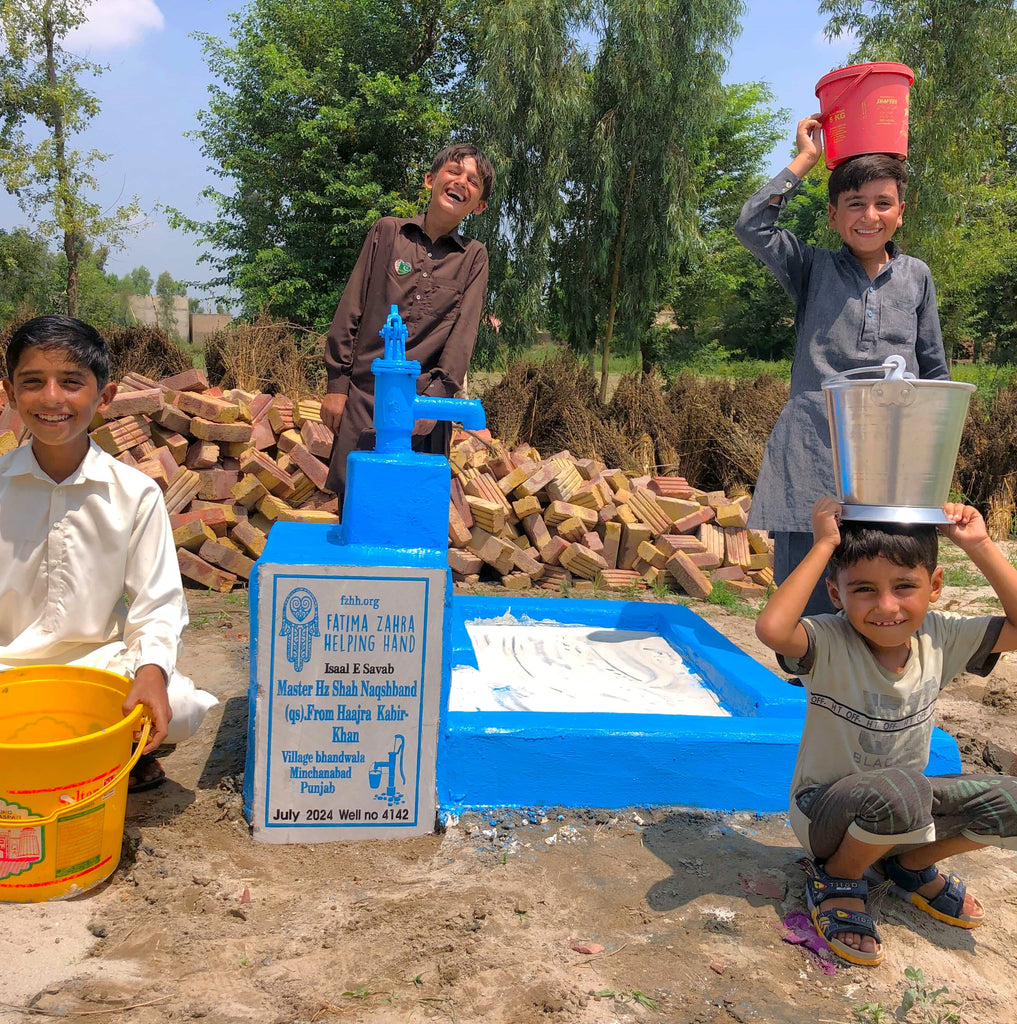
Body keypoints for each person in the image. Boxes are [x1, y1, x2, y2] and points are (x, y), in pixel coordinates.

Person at [755, 496, 1017, 967]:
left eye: (904, 586)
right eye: (864, 589)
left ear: (935, 585)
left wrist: (979, 545)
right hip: (825, 814)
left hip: (905, 811)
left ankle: (908, 866)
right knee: (901, 789)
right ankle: (838, 876)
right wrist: (824, 544)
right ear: (836, 593)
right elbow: (773, 629)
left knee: (1010, 802)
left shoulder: (941, 637)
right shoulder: (829, 640)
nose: (887, 606)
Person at [735, 116, 949, 615]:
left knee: (885, 599)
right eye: (855, 204)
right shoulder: (812, 268)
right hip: (810, 455)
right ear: (833, 215)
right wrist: (806, 159)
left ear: (901, 212)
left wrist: (932, 470)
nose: (869, 216)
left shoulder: (916, 276)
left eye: (882, 203)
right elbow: (751, 226)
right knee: (807, 610)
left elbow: (935, 373)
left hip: (892, 467)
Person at [0, 315, 206, 791]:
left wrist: (150, 671)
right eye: (33, 382)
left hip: (98, 666)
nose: (52, 398)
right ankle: (96, 754)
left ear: (105, 397)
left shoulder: (134, 493)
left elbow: (158, 602)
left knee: (179, 705)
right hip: (8, 668)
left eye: (72, 382)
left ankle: (117, 751)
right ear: (10, 393)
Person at [320, 143, 494, 507]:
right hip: (363, 399)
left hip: (422, 409)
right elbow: (351, 309)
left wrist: (433, 401)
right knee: (355, 504)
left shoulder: (473, 257)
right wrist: (337, 385)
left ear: (479, 206)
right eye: (453, 172)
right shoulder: (387, 233)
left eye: (473, 181)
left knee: (410, 512)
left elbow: (463, 337)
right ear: (430, 180)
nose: (461, 182)